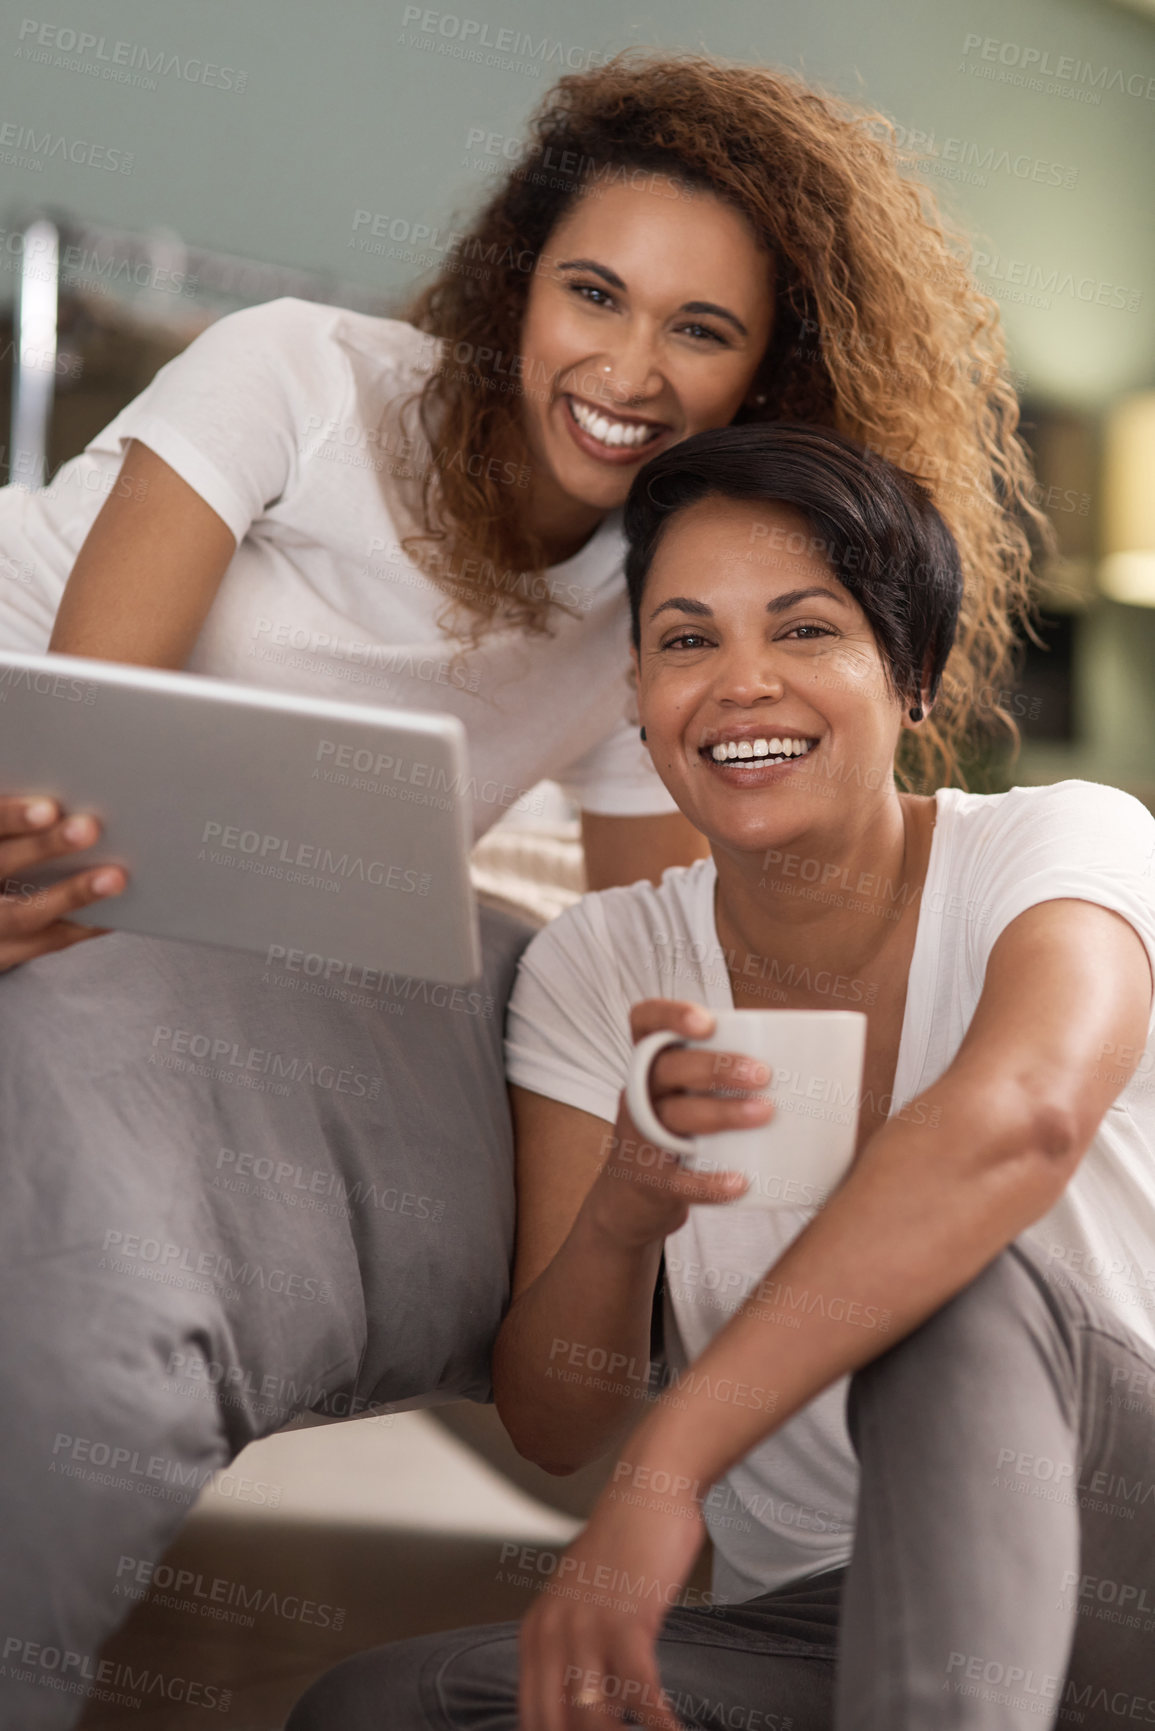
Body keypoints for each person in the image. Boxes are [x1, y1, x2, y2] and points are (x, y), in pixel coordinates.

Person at [0, 50, 1044, 1728]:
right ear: (516, 285)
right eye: (594, 295)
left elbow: (675, 949)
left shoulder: (653, 607)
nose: (630, 369)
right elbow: (84, 740)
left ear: (769, 374)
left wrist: (711, 1104)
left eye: (702, 332)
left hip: (195, 878)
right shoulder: (292, 374)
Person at [286, 423, 1155, 1730]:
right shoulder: (606, 961)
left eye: (805, 631)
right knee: (383, 1709)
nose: (742, 683)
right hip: (827, 1619)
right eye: (688, 640)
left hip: (1120, 1550)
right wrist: (629, 1207)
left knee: (964, 1297)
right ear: (636, 696)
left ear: (911, 673)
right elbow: (556, 1420)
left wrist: (669, 1472)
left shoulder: (1061, 847)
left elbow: (1019, 1123)